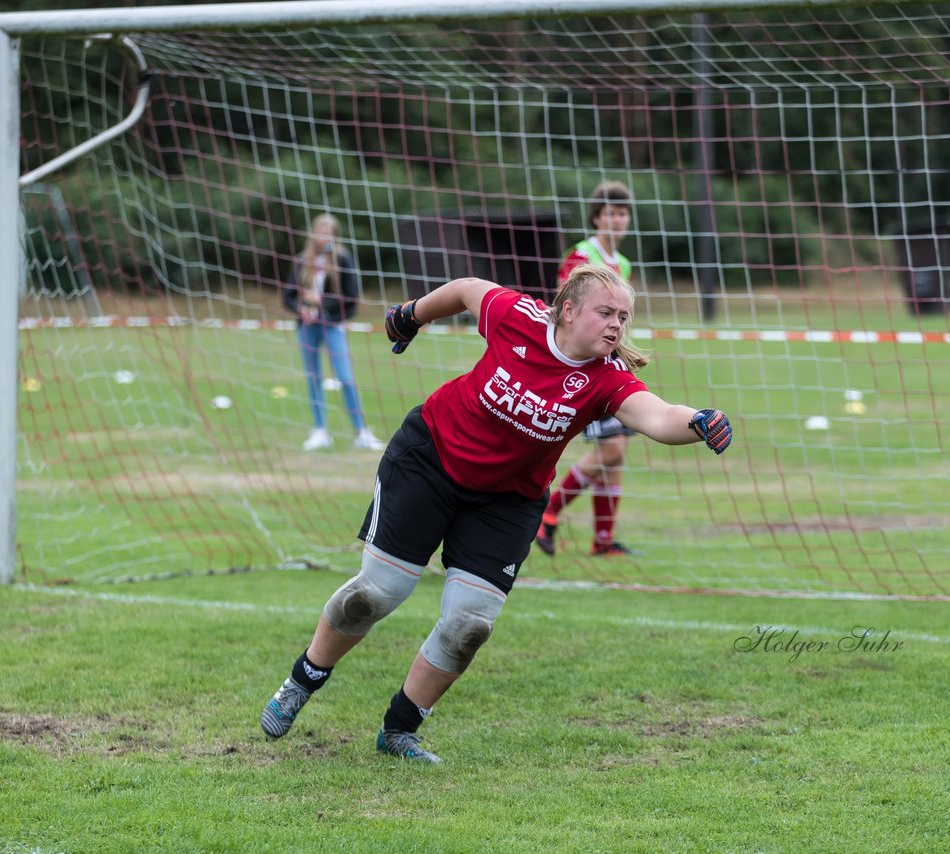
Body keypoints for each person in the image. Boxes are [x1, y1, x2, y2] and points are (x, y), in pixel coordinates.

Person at [259, 263, 733, 763]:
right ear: (567, 311)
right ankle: (301, 681)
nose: (616, 325)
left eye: (624, 316)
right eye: (605, 312)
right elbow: (466, 290)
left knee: (470, 625)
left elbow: (657, 415)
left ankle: (400, 730)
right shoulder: (519, 317)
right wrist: (411, 315)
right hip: (431, 460)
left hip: (507, 501)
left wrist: (699, 421)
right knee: (375, 595)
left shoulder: (606, 379)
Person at [536, 180, 638, 557]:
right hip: (585, 367)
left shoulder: (622, 263)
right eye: (610, 212)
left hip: (613, 365)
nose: (618, 219)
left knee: (617, 453)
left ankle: (603, 540)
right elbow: (564, 310)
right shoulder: (580, 257)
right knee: (609, 450)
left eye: (623, 212)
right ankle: (548, 514)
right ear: (597, 217)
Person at [282, 214, 384, 452]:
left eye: (328, 232)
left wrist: (322, 304)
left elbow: (351, 298)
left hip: (333, 326)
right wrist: (302, 308)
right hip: (307, 328)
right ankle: (320, 431)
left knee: (345, 378)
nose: (323, 236)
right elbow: (287, 296)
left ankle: (361, 432)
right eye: (320, 231)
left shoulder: (342, 259)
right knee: (313, 377)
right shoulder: (301, 261)